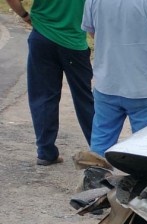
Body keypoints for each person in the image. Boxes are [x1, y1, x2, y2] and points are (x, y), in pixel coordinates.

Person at [78, 0, 147, 167]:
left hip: (107, 82)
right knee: (144, 148)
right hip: (142, 86)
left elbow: (92, 32)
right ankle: (140, 186)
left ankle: (93, 182)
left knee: (100, 144)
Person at [5, 0, 94, 166]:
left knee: (43, 95)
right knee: (85, 98)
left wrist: (24, 15)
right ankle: (98, 149)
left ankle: (46, 152)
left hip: (42, 36)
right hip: (73, 41)